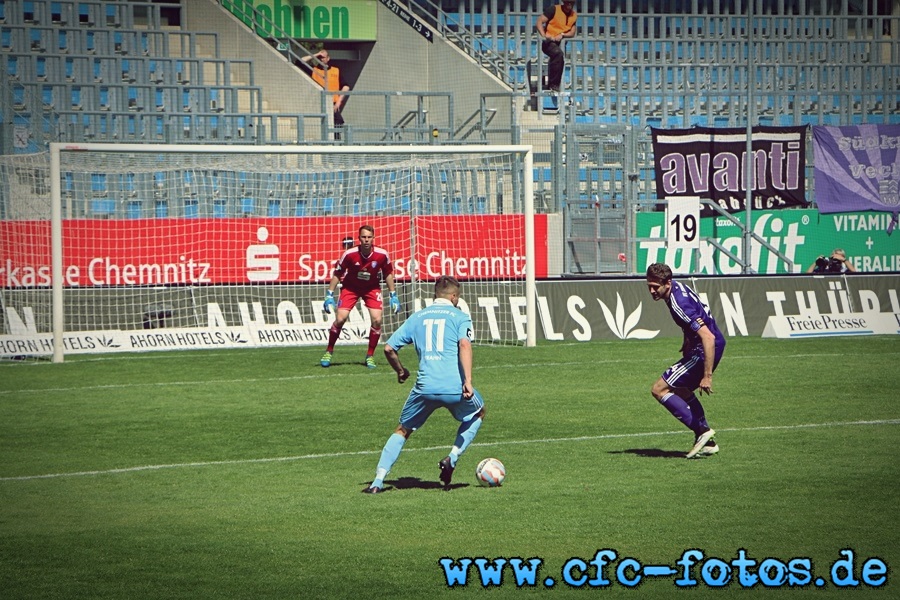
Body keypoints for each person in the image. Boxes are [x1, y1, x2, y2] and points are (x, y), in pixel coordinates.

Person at [364, 276, 485, 494]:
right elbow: (465, 344)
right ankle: (453, 457)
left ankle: (377, 481)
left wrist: (401, 371)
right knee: (478, 413)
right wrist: (467, 381)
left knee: (403, 430)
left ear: (435, 294)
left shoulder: (417, 317)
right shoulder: (460, 317)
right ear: (454, 296)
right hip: (454, 387)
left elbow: (389, 349)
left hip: (424, 387)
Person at [646, 263, 726, 459]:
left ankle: (702, 431)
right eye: (649, 285)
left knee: (659, 389)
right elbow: (694, 319)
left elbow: (708, 337)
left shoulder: (677, 303)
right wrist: (687, 340)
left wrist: (707, 376)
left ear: (667, 283)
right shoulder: (679, 288)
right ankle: (709, 442)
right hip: (705, 345)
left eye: (656, 286)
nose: (652, 290)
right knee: (681, 390)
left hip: (706, 349)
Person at [321, 225, 400, 369]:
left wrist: (393, 294)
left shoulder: (382, 254)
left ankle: (370, 356)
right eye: (363, 237)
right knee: (340, 319)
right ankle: (329, 351)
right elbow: (338, 273)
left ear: (373, 238)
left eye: (369, 237)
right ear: (359, 239)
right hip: (351, 288)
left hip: (371, 288)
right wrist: (329, 294)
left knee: (377, 320)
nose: (366, 240)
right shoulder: (350, 254)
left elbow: (388, 273)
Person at [302, 49, 350, 139]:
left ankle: (336, 142)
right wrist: (317, 54)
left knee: (338, 121)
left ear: (328, 58)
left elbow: (346, 86)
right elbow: (300, 61)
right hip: (319, 102)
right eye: (319, 58)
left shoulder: (336, 70)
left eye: (323, 57)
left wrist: (339, 101)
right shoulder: (314, 70)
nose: (321, 59)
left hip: (333, 103)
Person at [536, 0, 578, 93]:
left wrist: (562, 35)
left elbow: (572, 32)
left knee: (560, 59)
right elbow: (539, 21)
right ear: (564, 2)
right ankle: (553, 84)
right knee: (558, 54)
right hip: (549, 42)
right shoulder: (554, 9)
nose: (570, 5)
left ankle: (554, 84)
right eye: (568, 2)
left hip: (560, 43)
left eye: (572, 3)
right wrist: (544, 35)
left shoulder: (573, 15)